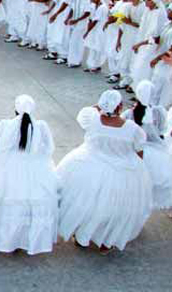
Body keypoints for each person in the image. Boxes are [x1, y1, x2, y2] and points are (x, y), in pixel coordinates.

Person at [57, 90, 151, 254]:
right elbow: (139, 153)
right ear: (120, 106)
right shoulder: (133, 129)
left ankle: (82, 237)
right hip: (122, 172)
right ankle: (107, 242)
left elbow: (85, 112)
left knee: (86, 203)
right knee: (116, 208)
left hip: (89, 166)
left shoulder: (92, 120)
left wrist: (100, 107)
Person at [0, 95, 58, 255]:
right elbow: (50, 149)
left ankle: (3, 240)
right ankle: (24, 240)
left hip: (7, 169)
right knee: (29, 205)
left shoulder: (5, 125)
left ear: (15, 109)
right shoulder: (41, 126)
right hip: (34, 169)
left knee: (4, 203)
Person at [123, 80, 172, 210]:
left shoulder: (130, 113)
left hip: (135, 152)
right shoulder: (160, 112)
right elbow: (163, 130)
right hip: (156, 153)